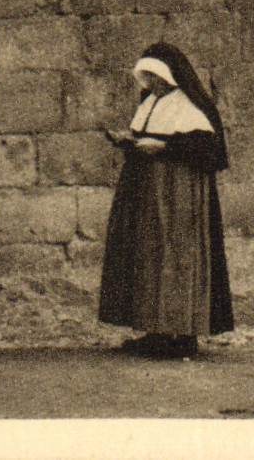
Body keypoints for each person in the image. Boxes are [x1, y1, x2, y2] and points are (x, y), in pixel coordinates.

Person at [97, 42, 234, 358]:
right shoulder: (150, 103)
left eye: (155, 78)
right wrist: (129, 142)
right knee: (150, 256)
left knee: (177, 256)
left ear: (169, 77)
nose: (151, 85)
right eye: (146, 79)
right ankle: (154, 330)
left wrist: (165, 149)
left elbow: (206, 150)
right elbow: (146, 136)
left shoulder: (189, 105)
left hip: (179, 193)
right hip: (148, 191)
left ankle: (182, 333)